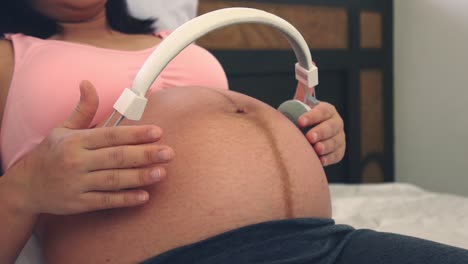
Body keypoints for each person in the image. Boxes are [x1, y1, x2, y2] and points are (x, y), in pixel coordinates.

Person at [0, 0, 346, 263]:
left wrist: (304, 135)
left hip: (321, 240)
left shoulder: (176, 39)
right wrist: (27, 186)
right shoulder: (10, 54)